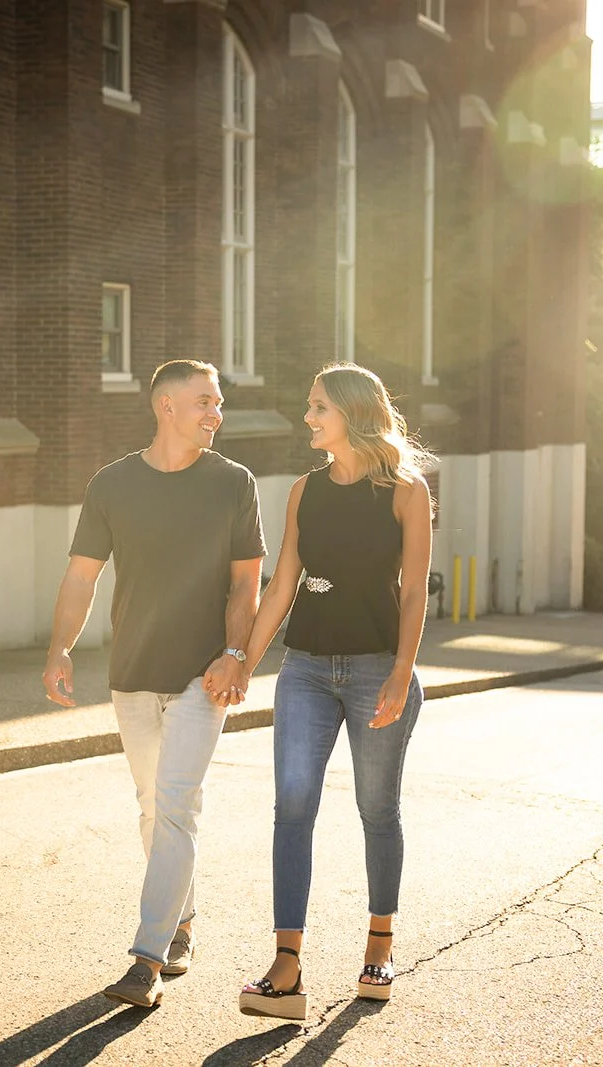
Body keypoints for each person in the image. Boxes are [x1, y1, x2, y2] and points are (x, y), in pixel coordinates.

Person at [42, 359, 264, 1010]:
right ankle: (183, 921)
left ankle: (148, 956)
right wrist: (59, 647)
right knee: (152, 806)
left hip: (204, 676)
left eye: (218, 402)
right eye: (204, 401)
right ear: (165, 405)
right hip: (131, 673)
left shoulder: (233, 483)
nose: (215, 413)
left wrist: (235, 653)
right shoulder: (113, 484)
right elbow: (82, 576)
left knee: (174, 804)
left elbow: (246, 582)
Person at [233, 363, 434, 1021]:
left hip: (379, 668)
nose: (309, 418)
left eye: (319, 407)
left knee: (378, 808)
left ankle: (380, 943)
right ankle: (287, 967)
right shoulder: (303, 492)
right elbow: (282, 586)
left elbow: (412, 591)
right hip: (307, 671)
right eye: (309, 406)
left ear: (353, 412)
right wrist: (243, 660)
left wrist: (403, 671)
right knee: (292, 803)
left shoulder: (407, 493)